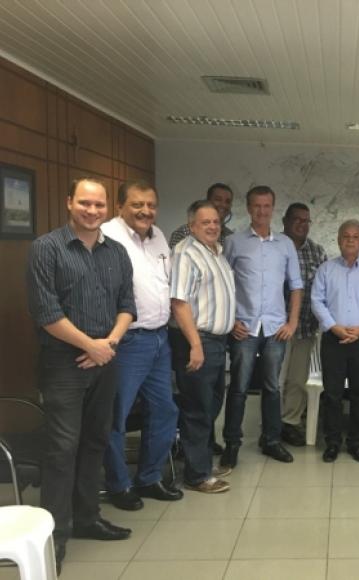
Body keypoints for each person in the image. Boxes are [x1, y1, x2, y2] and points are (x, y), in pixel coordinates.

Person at [27, 177, 136, 573]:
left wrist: (108, 344)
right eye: (85, 203)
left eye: (99, 205)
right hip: (63, 363)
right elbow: (46, 313)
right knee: (61, 449)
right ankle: (53, 536)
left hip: (106, 358)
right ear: (69, 202)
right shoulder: (47, 248)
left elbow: (127, 305)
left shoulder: (117, 252)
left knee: (95, 441)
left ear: (108, 208)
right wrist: (90, 346)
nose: (92, 211)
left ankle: (88, 518)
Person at [102, 181, 182, 511]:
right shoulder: (107, 236)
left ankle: (149, 478)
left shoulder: (159, 236)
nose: (145, 211)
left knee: (165, 410)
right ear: (120, 206)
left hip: (159, 338)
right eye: (137, 204)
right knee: (116, 416)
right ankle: (119, 484)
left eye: (150, 205)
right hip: (128, 342)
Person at [222, 186, 303, 465]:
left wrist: (292, 322)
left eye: (266, 206)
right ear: (248, 208)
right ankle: (232, 443)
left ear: (273, 208)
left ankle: (271, 441)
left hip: (275, 329)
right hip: (243, 327)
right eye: (256, 206)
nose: (262, 211)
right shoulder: (233, 242)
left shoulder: (285, 244)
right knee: (239, 387)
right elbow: (223, 284)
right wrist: (231, 320)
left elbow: (296, 286)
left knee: (272, 387)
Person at [169, 200, 236, 492]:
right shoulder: (185, 253)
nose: (212, 226)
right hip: (197, 340)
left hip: (217, 342)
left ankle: (202, 462)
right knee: (198, 407)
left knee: (210, 404)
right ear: (191, 226)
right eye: (205, 222)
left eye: (215, 221)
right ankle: (197, 475)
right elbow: (179, 302)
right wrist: (195, 345)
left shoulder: (216, 251)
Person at [311, 220, 359, 463]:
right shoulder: (326, 270)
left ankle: (356, 442)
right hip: (333, 339)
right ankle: (332, 442)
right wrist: (334, 327)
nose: (350, 240)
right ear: (338, 240)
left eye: (355, 237)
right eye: (346, 236)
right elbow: (317, 301)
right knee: (332, 393)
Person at [279, 202, 327, 447]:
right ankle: (271, 422)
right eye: (297, 219)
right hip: (276, 328)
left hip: (306, 326)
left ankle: (290, 422)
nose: (302, 224)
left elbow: (326, 287)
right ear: (285, 221)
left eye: (306, 220)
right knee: (275, 379)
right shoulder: (274, 247)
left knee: (297, 379)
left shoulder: (317, 252)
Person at [168, 182, 234, 249]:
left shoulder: (231, 236)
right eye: (218, 200)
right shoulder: (184, 232)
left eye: (228, 201)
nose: (223, 205)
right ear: (208, 201)